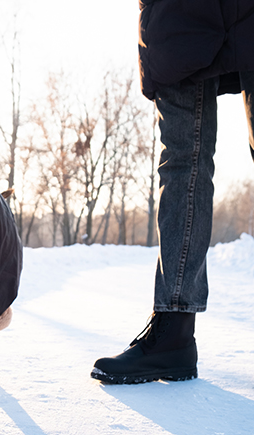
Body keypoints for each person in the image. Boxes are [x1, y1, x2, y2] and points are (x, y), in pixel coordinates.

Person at [91, 0, 254, 384]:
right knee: (183, 162)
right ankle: (173, 335)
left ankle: (174, 333)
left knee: (183, 162)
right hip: (179, 17)